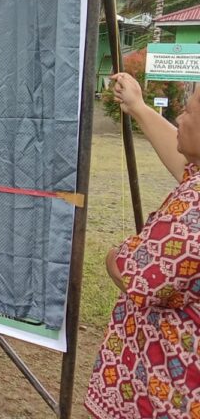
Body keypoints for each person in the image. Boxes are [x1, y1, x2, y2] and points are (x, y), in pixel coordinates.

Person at [86, 72, 200, 418]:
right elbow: (183, 159)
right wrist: (137, 106)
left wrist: (112, 256)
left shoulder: (193, 210)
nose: (179, 117)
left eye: (190, 112)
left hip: (166, 392)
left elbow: (133, 273)